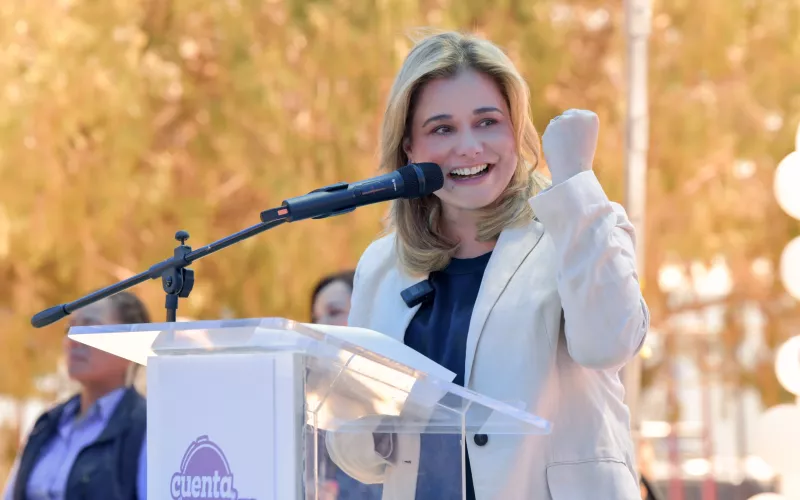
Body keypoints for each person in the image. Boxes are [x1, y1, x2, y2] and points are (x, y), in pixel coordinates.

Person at [325, 31, 649, 499]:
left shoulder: (579, 225)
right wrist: (370, 428)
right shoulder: (381, 266)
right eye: (442, 129)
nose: (470, 146)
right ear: (409, 148)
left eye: (488, 122)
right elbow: (352, 446)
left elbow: (609, 344)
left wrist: (577, 178)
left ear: (516, 130)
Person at [3, 292, 149, 500]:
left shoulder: (145, 429)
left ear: (131, 345)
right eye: (70, 328)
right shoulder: (48, 424)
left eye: (89, 328)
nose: (73, 340)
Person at [309, 271, 383, 500]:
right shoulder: (306, 412)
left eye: (334, 312)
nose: (320, 326)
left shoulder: (396, 409)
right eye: (315, 319)